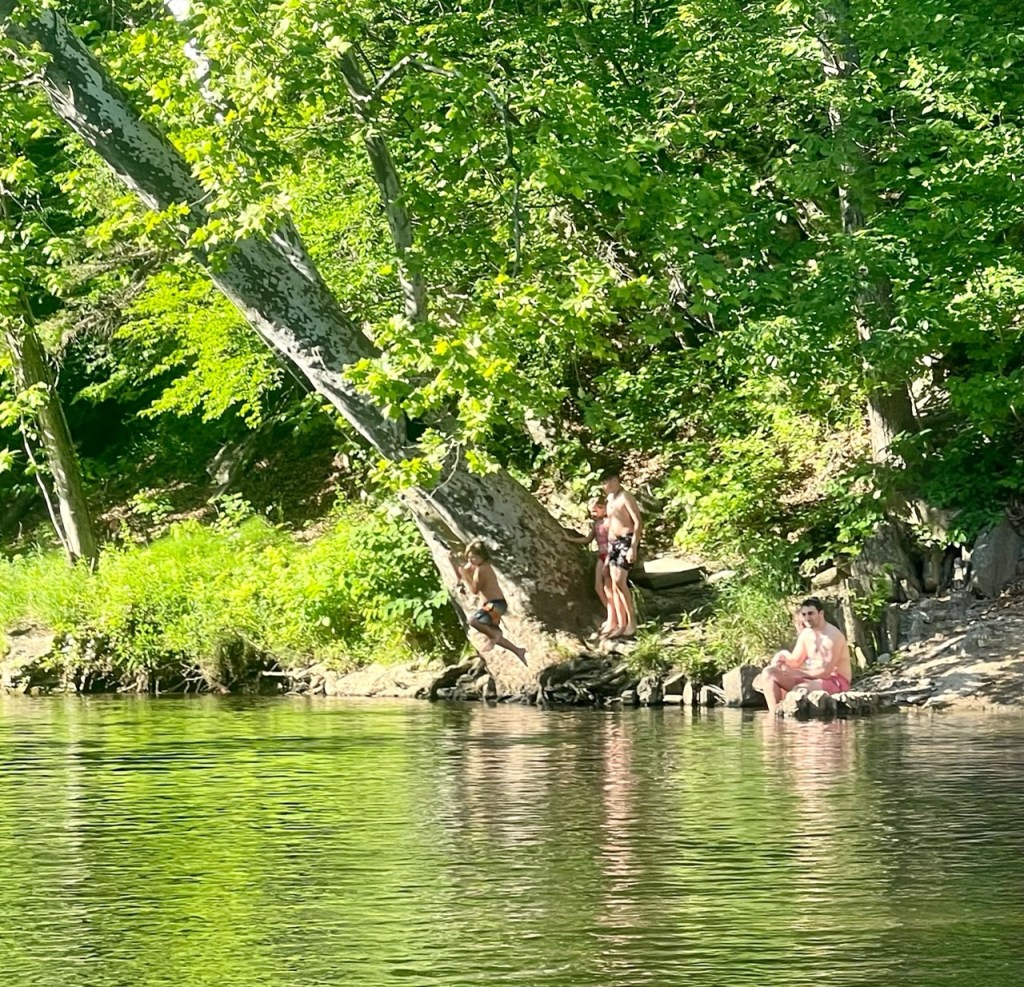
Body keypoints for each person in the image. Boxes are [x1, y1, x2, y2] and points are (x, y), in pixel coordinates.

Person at [756, 597, 852, 713]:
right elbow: (796, 661)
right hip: (810, 678)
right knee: (768, 673)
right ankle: (775, 714)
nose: (807, 618)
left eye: (811, 613)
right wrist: (783, 658)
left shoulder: (832, 636)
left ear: (821, 613)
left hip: (835, 681)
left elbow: (826, 672)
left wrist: (800, 673)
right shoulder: (806, 634)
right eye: (804, 614)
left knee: (799, 690)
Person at [449, 539, 527, 664]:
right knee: (494, 634)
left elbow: (474, 590)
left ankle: (494, 636)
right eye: (468, 558)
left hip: (496, 604)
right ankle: (518, 650)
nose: (470, 561)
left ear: (482, 556)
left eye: (473, 558)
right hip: (492, 605)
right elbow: (461, 575)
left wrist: (466, 576)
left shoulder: (482, 569)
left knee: (473, 621)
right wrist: (452, 562)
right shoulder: (475, 565)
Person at [600, 468, 643, 638]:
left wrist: (633, 547)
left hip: (626, 540)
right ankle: (620, 623)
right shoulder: (610, 499)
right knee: (613, 582)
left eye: (606, 482)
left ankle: (632, 622)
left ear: (615, 480)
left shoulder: (626, 497)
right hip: (613, 543)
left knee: (620, 581)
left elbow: (638, 522)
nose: (604, 486)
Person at [566, 498, 614, 634]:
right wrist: (570, 539)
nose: (592, 514)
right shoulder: (596, 524)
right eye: (591, 511)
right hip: (601, 556)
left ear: (603, 507)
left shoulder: (609, 522)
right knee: (598, 587)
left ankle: (615, 616)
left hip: (610, 555)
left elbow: (614, 541)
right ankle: (610, 613)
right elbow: (588, 539)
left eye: (595, 511)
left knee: (609, 587)